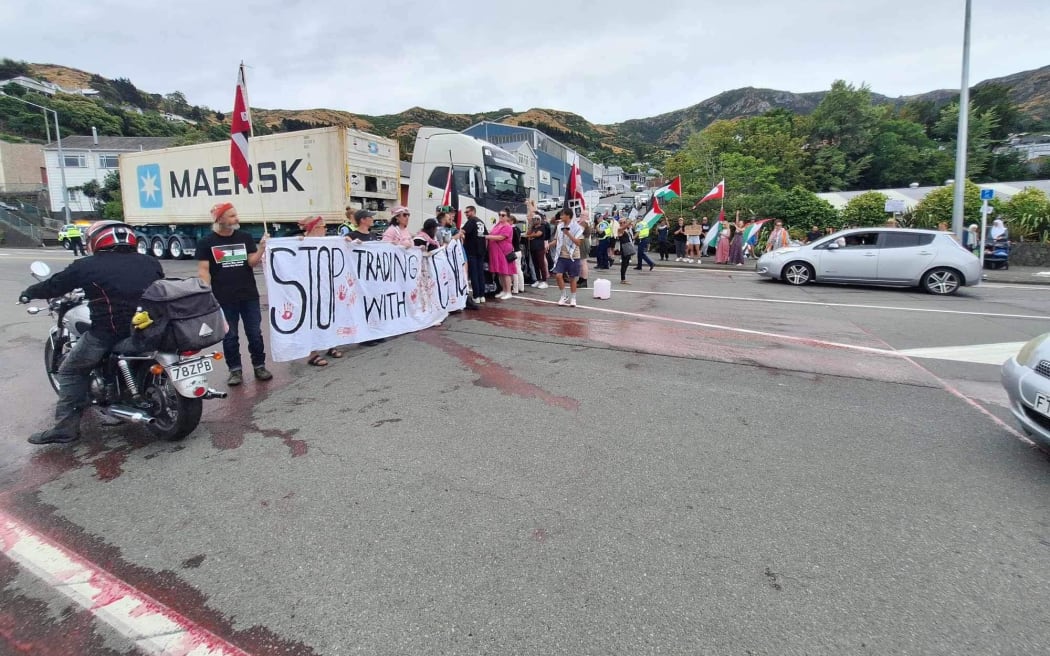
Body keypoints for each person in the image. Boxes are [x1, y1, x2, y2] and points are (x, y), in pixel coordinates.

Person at [19, 221, 164, 444]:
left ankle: (65, 429)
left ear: (97, 240)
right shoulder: (149, 262)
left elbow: (55, 285)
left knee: (69, 371)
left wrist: (29, 292)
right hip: (147, 327)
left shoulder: (87, 266)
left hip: (109, 332)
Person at [196, 202, 273, 387]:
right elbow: (204, 270)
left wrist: (261, 248)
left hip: (248, 295)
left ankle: (259, 366)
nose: (236, 218)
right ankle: (235, 371)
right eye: (231, 216)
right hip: (223, 298)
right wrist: (206, 292)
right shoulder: (206, 242)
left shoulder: (245, 237)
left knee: (254, 333)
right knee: (230, 337)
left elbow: (251, 262)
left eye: (235, 214)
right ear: (219, 219)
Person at [297, 215, 344, 366]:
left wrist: (348, 243)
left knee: (327, 315)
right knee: (311, 318)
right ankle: (312, 352)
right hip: (308, 288)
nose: (325, 230)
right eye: (323, 227)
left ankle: (330, 344)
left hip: (325, 285)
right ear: (314, 228)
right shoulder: (299, 242)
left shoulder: (327, 243)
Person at [551, 208, 584, 306]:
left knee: (572, 278)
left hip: (573, 256)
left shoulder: (577, 227)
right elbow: (556, 240)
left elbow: (578, 243)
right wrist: (548, 245)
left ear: (568, 216)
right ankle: (563, 295)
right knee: (558, 275)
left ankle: (573, 298)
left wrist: (568, 234)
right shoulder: (559, 226)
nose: (560, 217)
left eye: (562, 215)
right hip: (561, 255)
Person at [484, 208, 516, 300]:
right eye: (499, 214)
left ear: (507, 217)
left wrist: (487, 236)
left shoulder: (507, 226)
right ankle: (504, 290)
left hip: (504, 251)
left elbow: (501, 237)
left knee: (506, 272)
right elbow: (493, 234)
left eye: (503, 215)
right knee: (500, 272)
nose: (500, 216)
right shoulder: (498, 224)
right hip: (495, 251)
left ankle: (508, 291)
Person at [461, 206, 488, 304]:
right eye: (465, 212)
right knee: (480, 273)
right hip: (481, 251)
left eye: (467, 212)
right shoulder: (481, 222)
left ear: (473, 211)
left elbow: (463, 231)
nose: (466, 214)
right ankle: (482, 295)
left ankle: (476, 295)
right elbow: (486, 236)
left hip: (472, 251)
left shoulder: (471, 221)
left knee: (474, 274)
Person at [526, 201, 550, 289]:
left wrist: (530, 236)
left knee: (541, 264)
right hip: (533, 248)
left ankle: (544, 281)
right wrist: (530, 226)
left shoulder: (542, 227)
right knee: (535, 264)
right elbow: (528, 233)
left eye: (536, 219)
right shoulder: (533, 227)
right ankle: (538, 280)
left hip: (540, 248)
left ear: (539, 220)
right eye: (534, 219)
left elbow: (538, 234)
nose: (535, 220)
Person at [576, 210, 592, 288]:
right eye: (581, 214)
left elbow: (579, 231)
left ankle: (584, 280)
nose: (581, 216)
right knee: (581, 262)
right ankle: (581, 278)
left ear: (586, 216)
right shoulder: (584, 222)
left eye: (583, 215)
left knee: (583, 261)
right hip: (583, 241)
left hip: (583, 242)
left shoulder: (584, 223)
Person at [618, 218, 636, 284]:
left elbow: (631, 226)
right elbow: (625, 227)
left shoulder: (625, 229)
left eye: (624, 222)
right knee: (624, 263)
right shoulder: (620, 229)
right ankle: (623, 279)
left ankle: (623, 278)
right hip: (624, 247)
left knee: (627, 263)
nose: (623, 223)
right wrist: (629, 221)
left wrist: (631, 222)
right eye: (622, 222)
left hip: (627, 246)